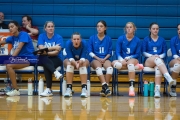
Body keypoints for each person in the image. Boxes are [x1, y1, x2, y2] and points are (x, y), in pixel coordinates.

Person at [0, 21, 35, 96]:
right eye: (9, 27)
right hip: (19, 59)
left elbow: (18, 48)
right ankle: (10, 86)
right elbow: (2, 42)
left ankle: (15, 89)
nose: (10, 28)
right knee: (6, 63)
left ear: (17, 27)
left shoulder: (23, 34)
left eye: (12, 26)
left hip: (28, 58)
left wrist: (11, 59)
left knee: (9, 65)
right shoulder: (12, 38)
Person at [142, 22, 174, 98]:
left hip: (159, 60)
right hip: (148, 61)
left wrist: (159, 56)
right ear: (150, 30)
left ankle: (157, 91)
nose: (155, 30)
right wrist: (152, 56)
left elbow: (164, 53)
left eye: (157, 29)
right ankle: (168, 76)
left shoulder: (162, 40)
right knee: (156, 60)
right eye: (153, 29)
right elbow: (143, 52)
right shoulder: (146, 39)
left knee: (158, 69)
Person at [112, 22, 143, 97]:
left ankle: (131, 87)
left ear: (134, 29)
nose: (129, 29)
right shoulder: (121, 38)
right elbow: (118, 52)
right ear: (125, 29)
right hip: (122, 60)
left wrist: (129, 58)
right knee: (113, 63)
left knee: (130, 63)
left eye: (130, 27)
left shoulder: (137, 40)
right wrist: (121, 60)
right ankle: (136, 67)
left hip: (133, 59)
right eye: (127, 27)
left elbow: (137, 54)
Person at [37, 21, 63, 97]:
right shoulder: (41, 36)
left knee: (46, 64)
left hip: (56, 59)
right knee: (43, 58)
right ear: (45, 28)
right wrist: (54, 47)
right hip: (43, 58)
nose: (51, 28)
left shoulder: (58, 37)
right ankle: (55, 72)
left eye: (52, 26)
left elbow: (56, 53)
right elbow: (41, 49)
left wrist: (46, 52)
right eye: (49, 27)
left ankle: (49, 89)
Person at [88, 20, 113, 97]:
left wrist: (104, 59)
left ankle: (105, 88)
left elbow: (110, 52)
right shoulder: (92, 38)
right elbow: (90, 51)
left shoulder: (108, 39)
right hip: (95, 59)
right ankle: (106, 87)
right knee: (98, 68)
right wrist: (98, 58)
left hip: (105, 58)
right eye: (98, 26)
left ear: (105, 28)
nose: (99, 28)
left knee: (110, 68)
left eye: (101, 26)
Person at [63, 32, 89, 98]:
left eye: (78, 39)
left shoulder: (84, 43)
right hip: (70, 60)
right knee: (69, 65)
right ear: (72, 40)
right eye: (74, 39)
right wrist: (75, 63)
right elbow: (70, 58)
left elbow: (83, 57)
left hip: (81, 60)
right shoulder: (68, 43)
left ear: (80, 40)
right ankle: (69, 88)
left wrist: (79, 62)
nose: (76, 41)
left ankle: (84, 89)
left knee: (83, 64)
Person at [168, 24, 180, 97]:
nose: (179, 31)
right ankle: (173, 88)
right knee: (177, 64)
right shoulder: (173, 39)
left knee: (178, 65)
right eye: (178, 29)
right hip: (174, 60)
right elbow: (174, 54)